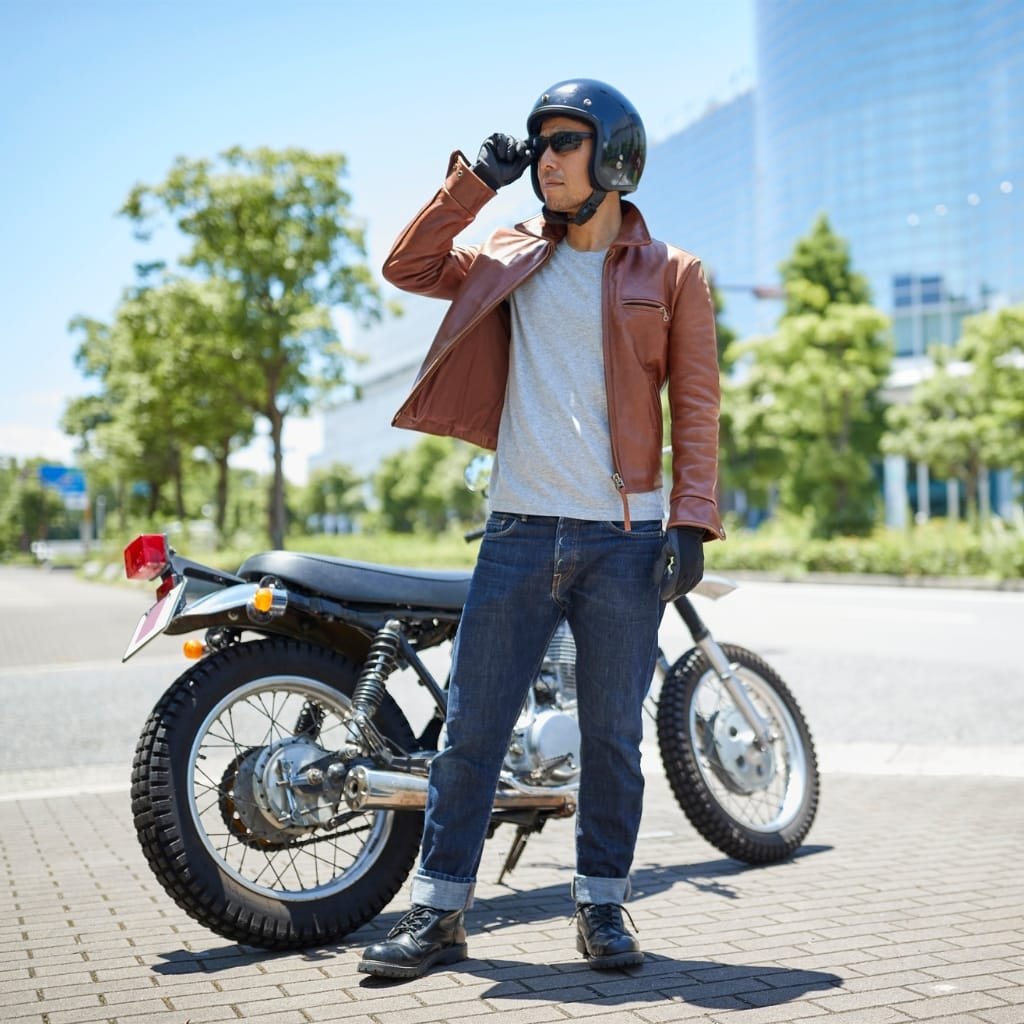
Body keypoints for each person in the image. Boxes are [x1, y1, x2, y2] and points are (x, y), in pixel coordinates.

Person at [358, 78, 724, 980]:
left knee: (611, 738)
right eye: (540, 145)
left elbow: (699, 411)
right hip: (518, 530)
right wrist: (473, 185)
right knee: (471, 734)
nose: (546, 161)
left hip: (625, 542)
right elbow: (407, 268)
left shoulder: (672, 274)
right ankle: (439, 916)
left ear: (615, 158)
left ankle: (603, 907)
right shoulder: (506, 252)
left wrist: (691, 521)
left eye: (564, 143)